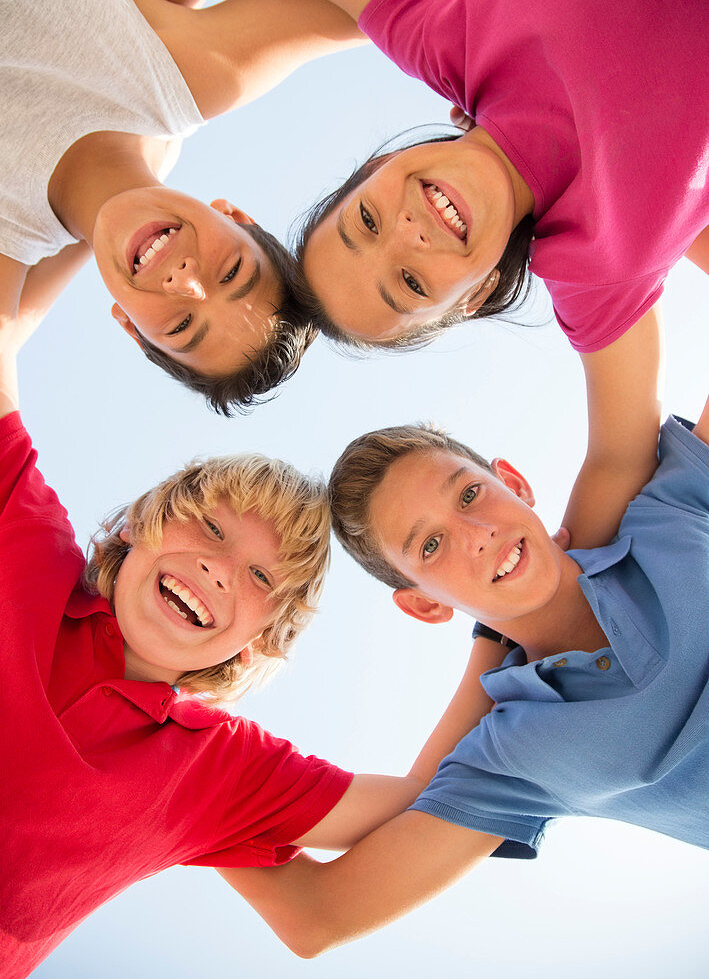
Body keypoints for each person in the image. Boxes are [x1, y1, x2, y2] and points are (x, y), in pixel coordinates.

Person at [0, 254, 510, 978]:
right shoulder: (24, 545)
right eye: (210, 530)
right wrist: (96, 219)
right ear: (138, 526)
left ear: (259, 643)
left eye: (259, 578)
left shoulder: (213, 769)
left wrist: (497, 634)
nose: (216, 570)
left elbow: (414, 804)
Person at [181, 0, 709, 546]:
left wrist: (148, 104)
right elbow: (618, 459)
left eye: (365, 223)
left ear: (373, 171)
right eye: (410, 282)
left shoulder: (443, 25)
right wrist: (515, 634)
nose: (406, 234)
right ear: (476, 294)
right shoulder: (597, 263)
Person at [208, 396, 709, 958]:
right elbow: (316, 914)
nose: (476, 534)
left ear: (515, 484)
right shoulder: (511, 758)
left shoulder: (673, 508)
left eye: (470, 495)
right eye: (431, 544)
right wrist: (185, 776)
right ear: (424, 606)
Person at [0, 0, 370, 413]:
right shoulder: (180, 79)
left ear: (131, 329)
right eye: (231, 272)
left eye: (184, 326)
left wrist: (78, 250)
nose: (187, 283)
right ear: (234, 215)